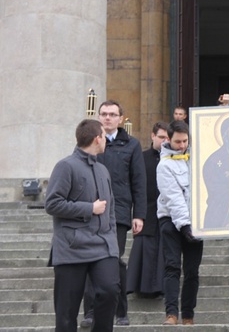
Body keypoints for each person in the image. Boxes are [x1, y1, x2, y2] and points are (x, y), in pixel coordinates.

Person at [45, 119, 119, 332]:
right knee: (66, 312)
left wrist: (111, 241)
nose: (105, 140)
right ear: (97, 139)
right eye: (104, 136)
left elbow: (110, 209)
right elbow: (52, 203)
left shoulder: (103, 170)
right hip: (71, 248)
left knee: (109, 291)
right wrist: (89, 208)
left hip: (102, 246)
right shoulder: (65, 166)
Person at [82, 100, 146, 327]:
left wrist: (139, 214)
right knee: (90, 259)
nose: (107, 118)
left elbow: (138, 181)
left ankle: (121, 312)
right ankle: (89, 312)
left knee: (113, 260)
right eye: (104, 114)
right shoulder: (89, 143)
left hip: (118, 213)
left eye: (112, 114)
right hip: (90, 211)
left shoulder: (131, 145)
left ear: (121, 118)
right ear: (98, 117)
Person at [157, 120, 204, 326]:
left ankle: (188, 315)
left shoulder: (198, 158)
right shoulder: (164, 165)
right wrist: (184, 226)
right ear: (169, 140)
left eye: (185, 141)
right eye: (178, 141)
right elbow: (173, 197)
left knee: (192, 271)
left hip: (195, 220)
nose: (182, 145)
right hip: (170, 220)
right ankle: (171, 314)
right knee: (172, 267)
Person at [126, 121, 169, 298]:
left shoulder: (175, 158)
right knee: (145, 248)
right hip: (146, 209)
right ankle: (139, 286)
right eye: (161, 137)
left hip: (167, 211)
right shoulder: (141, 158)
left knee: (163, 250)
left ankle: (160, 287)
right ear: (152, 136)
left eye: (168, 138)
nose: (165, 141)